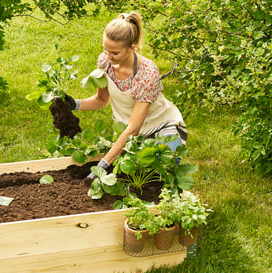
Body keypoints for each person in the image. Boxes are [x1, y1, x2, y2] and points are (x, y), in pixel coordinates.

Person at [63, 12, 187, 180]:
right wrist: (74, 104)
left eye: (114, 52)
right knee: (131, 174)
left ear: (132, 47)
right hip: (131, 135)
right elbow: (101, 100)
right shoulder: (105, 62)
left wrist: (103, 164)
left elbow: (133, 128)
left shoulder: (147, 72)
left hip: (162, 127)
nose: (108, 56)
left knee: (160, 172)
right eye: (105, 49)